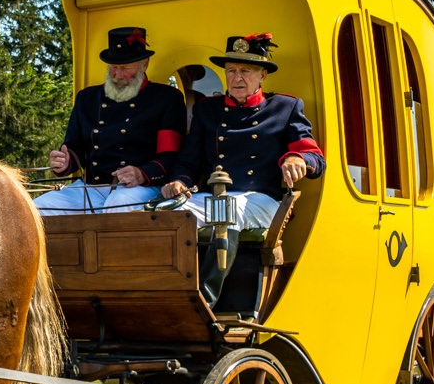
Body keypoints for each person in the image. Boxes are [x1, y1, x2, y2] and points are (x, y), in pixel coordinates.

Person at [160, 33, 325, 303]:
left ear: (262, 75)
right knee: (162, 212)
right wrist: (178, 180)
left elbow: (315, 158)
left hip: (262, 199)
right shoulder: (208, 110)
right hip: (213, 196)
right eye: (231, 71)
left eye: (246, 71)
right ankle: (164, 294)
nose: (237, 78)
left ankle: (204, 303)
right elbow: (188, 161)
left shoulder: (285, 107)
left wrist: (297, 159)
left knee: (227, 209)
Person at [36, 26, 186, 213]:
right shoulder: (87, 98)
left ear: (144, 63)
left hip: (140, 188)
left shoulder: (166, 99)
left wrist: (142, 174)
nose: (118, 75)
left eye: (125, 68)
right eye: (113, 67)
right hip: (90, 187)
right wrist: (64, 162)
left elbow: (170, 155)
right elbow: (74, 147)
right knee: (39, 209)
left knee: (117, 207)